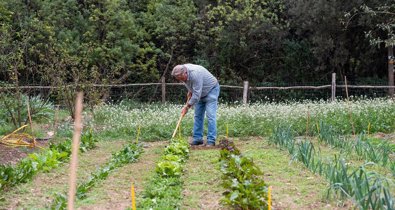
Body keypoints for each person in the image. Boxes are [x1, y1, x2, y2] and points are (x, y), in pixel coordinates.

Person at [171, 64, 220, 146]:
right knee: (198, 115)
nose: (181, 80)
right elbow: (192, 86)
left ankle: (211, 140)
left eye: (182, 78)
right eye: (179, 79)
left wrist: (187, 107)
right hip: (199, 92)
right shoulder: (182, 72)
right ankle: (197, 139)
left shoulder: (195, 74)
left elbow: (197, 95)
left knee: (210, 115)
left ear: (185, 73)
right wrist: (190, 91)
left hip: (211, 90)